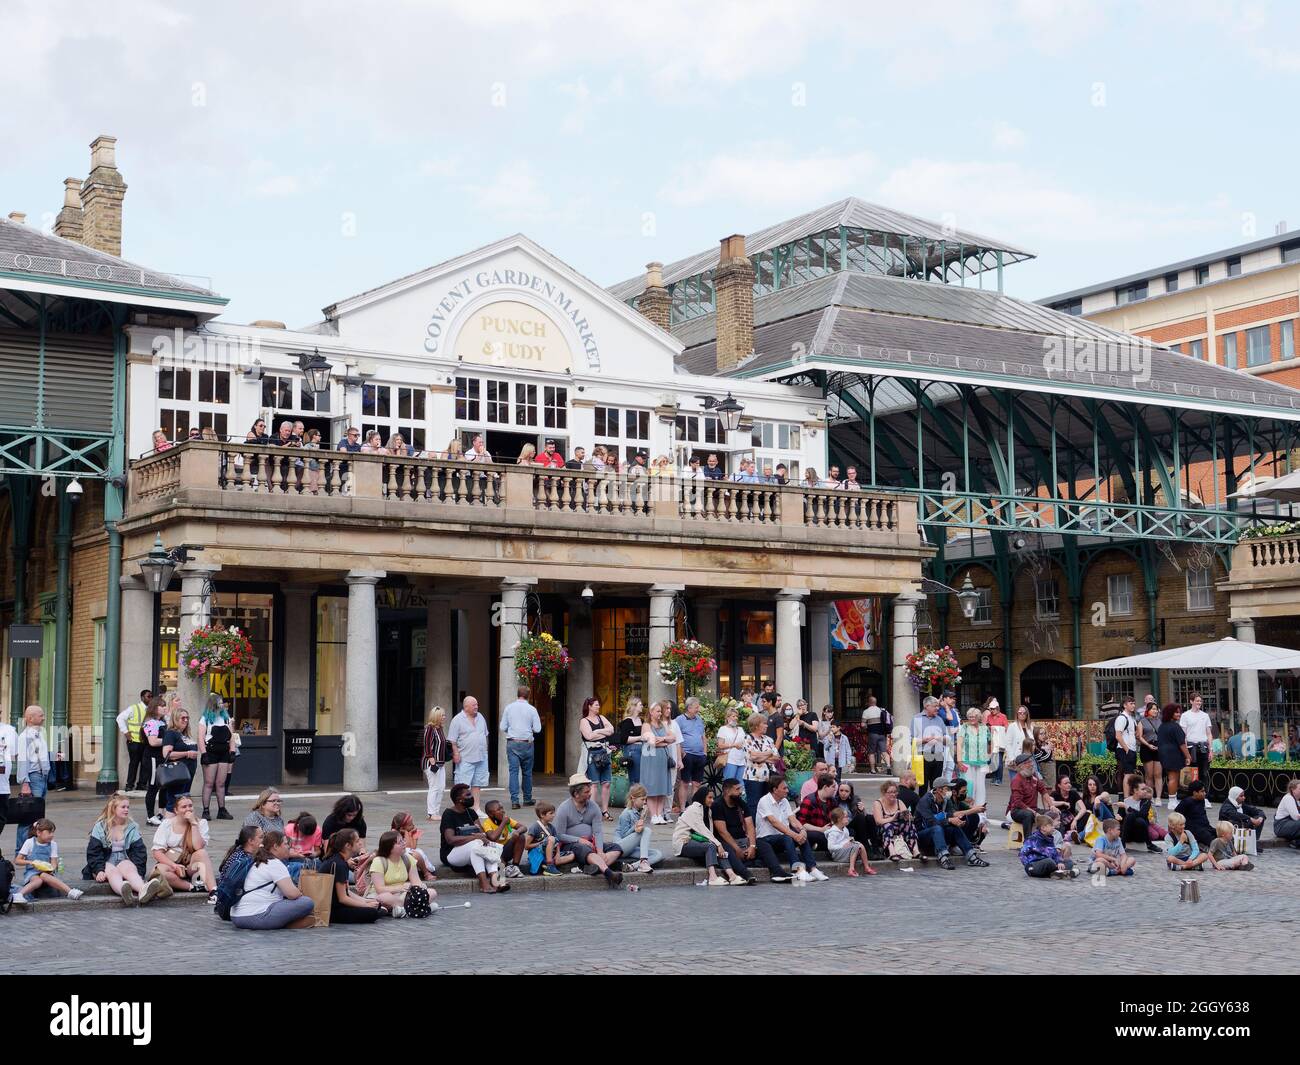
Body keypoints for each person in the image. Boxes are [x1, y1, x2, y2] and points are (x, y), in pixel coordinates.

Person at [83, 792, 165, 906]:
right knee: (112, 871)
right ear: (113, 809)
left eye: (128, 807)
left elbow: (139, 852)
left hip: (124, 858)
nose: (126, 810)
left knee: (129, 868)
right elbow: (93, 852)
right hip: (105, 861)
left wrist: (139, 872)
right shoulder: (100, 826)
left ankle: (143, 890)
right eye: (123, 807)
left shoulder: (132, 826)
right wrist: (98, 870)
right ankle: (124, 890)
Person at [230, 830, 317, 929]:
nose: (289, 847)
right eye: (285, 844)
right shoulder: (274, 863)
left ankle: (286, 922)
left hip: (237, 916)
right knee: (307, 902)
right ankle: (287, 924)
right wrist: (300, 893)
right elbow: (292, 894)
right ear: (275, 846)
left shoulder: (259, 861)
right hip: (256, 916)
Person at [552, 775, 624, 886]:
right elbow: (559, 835)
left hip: (592, 843)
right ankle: (609, 873)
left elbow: (598, 831)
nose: (590, 794)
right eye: (586, 792)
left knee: (616, 848)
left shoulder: (594, 807)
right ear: (576, 794)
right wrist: (579, 840)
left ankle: (595, 866)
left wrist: (600, 851)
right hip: (571, 845)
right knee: (583, 848)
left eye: (589, 791)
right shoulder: (564, 808)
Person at [674, 785, 752, 886]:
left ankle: (731, 875)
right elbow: (702, 829)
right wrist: (718, 844)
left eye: (713, 797)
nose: (712, 800)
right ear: (703, 797)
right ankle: (712, 877)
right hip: (684, 842)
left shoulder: (708, 810)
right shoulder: (694, 809)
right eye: (709, 797)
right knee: (711, 846)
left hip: (699, 842)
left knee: (717, 848)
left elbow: (709, 832)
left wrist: (719, 845)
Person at [440, 782, 508, 893]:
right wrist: (474, 838)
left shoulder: (471, 812)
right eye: (468, 795)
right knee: (476, 845)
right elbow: (450, 840)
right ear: (458, 799)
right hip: (451, 854)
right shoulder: (449, 814)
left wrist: (481, 837)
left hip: (472, 850)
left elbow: (482, 834)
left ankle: (499, 881)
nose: (471, 797)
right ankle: (484, 883)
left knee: (487, 848)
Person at [754, 777, 823, 883]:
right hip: (766, 839)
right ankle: (798, 871)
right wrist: (794, 835)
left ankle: (812, 868)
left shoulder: (784, 801)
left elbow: (792, 819)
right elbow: (774, 823)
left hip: (782, 838)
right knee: (788, 837)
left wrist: (802, 830)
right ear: (775, 789)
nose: (787, 790)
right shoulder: (764, 801)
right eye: (784, 788)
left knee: (801, 837)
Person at [150, 795, 217, 902]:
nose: (188, 809)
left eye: (190, 806)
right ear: (176, 810)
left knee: (202, 853)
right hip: (172, 864)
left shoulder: (201, 823)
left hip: (191, 865)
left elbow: (198, 846)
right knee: (158, 871)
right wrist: (174, 866)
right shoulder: (167, 824)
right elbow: (157, 853)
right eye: (184, 807)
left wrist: (193, 824)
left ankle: (214, 891)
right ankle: (191, 887)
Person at [916, 778, 989, 869]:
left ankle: (971, 856)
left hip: (937, 833)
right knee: (937, 828)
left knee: (954, 828)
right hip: (923, 835)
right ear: (939, 790)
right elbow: (930, 822)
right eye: (947, 789)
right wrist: (950, 820)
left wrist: (958, 820)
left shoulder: (944, 800)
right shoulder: (925, 800)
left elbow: (951, 814)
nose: (949, 791)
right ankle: (943, 857)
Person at [11, 818, 84, 904]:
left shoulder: (53, 844)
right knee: (38, 880)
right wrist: (31, 862)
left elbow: (53, 861)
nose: (52, 835)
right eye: (49, 832)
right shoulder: (30, 842)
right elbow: (17, 860)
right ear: (38, 833)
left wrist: (51, 868)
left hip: (46, 873)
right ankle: (19, 895)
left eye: (53, 832)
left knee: (44, 876)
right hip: (32, 872)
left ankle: (70, 892)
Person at [319, 829, 382, 923]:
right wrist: (366, 905)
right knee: (372, 913)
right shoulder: (339, 864)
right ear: (347, 846)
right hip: (332, 910)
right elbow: (343, 898)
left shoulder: (339, 860)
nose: (360, 843)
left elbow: (346, 891)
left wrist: (365, 901)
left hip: (335, 905)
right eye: (357, 841)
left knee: (376, 905)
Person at [13, 705, 51, 851]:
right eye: (40, 715)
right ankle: (20, 851)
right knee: (27, 816)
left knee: (37, 817)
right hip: (33, 778)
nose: (43, 717)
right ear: (30, 718)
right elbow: (23, 760)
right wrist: (25, 783)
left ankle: (31, 848)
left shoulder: (40, 733)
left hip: (42, 777)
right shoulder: (24, 737)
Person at [501, 685, 542, 810]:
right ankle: (527, 798)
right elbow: (537, 729)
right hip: (527, 743)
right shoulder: (532, 709)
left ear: (517, 694)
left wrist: (513, 730)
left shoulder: (509, 708)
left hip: (512, 742)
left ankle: (514, 801)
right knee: (527, 772)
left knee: (513, 772)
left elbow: (502, 727)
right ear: (528, 696)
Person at [711, 779, 761, 881]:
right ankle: (746, 874)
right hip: (728, 842)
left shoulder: (741, 803)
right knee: (727, 850)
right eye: (737, 789)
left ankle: (777, 871)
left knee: (764, 845)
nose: (740, 792)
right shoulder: (717, 804)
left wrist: (752, 846)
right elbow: (722, 832)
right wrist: (737, 849)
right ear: (727, 791)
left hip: (743, 839)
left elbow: (750, 826)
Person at [364, 831, 422, 916]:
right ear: (389, 848)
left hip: (403, 894)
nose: (404, 844)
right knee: (383, 897)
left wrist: (418, 887)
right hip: (383, 894)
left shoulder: (408, 858)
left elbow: (416, 882)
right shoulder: (379, 861)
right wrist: (400, 888)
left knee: (431, 892)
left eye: (403, 840)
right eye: (399, 843)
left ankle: (401, 908)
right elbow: (380, 889)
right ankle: (414, 907)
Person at [447, 695, 490, 810]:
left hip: (481, 757)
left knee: (477, 784)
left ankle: (476, 808)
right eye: (474, 705)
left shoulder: (480, 717)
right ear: (466, 707)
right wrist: (456, 753)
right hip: (465, 757)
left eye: (477, 704)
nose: (477, 707)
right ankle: (462, 807)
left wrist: (485, 750)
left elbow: (485, 735)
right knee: (463, 784)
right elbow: (452, 740)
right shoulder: (457, 719)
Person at [577, 696, 616, 819]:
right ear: (589, 706)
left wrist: (597, 732)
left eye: (598, 705)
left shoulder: (601, 718)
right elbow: (588, 736)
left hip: (604, 753)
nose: (598, 707)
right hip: (592, 754)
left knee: (606, 783)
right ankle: (593, 812)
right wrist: (603, 731)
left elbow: (611, 730)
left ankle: (605, 810)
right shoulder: (584, 721)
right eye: (596, 705)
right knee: (593, 784)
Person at [198, 693, 234, 820]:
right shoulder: (205, 719)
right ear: (213, 704)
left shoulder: (226, 718)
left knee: (221, 783)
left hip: (224, 752)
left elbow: (232, 736)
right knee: (209, 783)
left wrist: (232, 752)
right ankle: (206, 810)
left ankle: (222, 809)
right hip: (210, 752)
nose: (221, 704)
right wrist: (204, 754)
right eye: (219, 702)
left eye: (222, 702)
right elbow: (200, 738)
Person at [640, 701, 675, 823]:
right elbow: (652, 742)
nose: (660, 713)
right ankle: (653, 815)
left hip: (662, 759)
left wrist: (663, 739)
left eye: (661, 711)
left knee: (662, 787)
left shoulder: (663, 725)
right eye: (658, 711)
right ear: (651, 712)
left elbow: (673, 738)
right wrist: (665, 742)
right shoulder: (646, 725)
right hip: (650, 759)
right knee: (652, 787)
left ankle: (659, 814)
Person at [159, 705, 198, 815]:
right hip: (177, 774)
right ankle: (168, 827)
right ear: (175, 719)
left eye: (187, 718)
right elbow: (166, 754)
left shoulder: (185, 735)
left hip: (187, 774)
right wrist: (187, 753)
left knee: (183, 802)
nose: (186, 720)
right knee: (174, 802)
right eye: (182, 718)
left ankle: (179, 827)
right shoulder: (171, 734)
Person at [614, 784, 663, 872]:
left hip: (631, 848)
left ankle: (633, 866)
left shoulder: (639, 812)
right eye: (642, 799)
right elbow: (624, 836)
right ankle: (643, 862)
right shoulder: (626, 814)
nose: (645, 802)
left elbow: (637, 839)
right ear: (633, 798)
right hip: (620, 848)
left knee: (657, 854)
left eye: (645, 799)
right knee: (647, 830)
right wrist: (635, 827)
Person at [115, 688, 153, 795]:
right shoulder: (134, 708)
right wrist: (126, 732)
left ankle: (141, 784)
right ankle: (129, 785)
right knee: (134, 763)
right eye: (148, 696)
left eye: (151, 696)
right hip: (135, 742)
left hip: (146, 742)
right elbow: (120, 718)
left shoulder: (151, 710)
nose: (150, 698)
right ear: (142, 697)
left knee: (145, 764)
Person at [1007, 754, 1053, 841]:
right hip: (1017, 811)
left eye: (1031, 761)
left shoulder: (1034, 776)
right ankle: (1028, 842)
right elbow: (1018, 802)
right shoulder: (1017, 780)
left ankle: (1049, 841)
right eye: (1028, 763)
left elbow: (1043, 791)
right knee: (1028, 815)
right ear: (1021, 766)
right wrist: (1034, 812)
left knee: (1050, 814)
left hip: (1033, 809)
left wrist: (1051, 805)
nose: (1031, 764)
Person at [742, 713, 778, 819]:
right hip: (753, 778)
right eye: (764, 724)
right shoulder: (747, 738)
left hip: (768, 777)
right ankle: (754, 828)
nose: (767, 726)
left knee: (768, 805)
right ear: (757, 725)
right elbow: (752, 757)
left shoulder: (769, 739)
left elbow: (776, 757)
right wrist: (769, 753)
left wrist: (759, 756)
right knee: (754, 805)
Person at [873, 780, 920, 860]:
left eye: (895, 792)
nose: (893, 794)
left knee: (910, 825)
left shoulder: (899, 802)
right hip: (883, 830)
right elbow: (878, 821)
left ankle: (915, 850)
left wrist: (908, 817)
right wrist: (892, 818)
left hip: (899, 829)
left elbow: (907, 817)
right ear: (884, 793)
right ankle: (892, 852)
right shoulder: (878, 803)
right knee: (888, 825)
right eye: (890, 792)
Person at [1020, 814, 1078, 879]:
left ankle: (1055, 873)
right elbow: (1022, 854)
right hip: (1034, 866)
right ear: (1043, 828)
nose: (1053, 827)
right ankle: (1058, 872)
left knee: (1069, 862)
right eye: (1051, 826)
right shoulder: (1032, 839)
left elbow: (1055, 854)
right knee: (1049, 861)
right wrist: (1028, 866)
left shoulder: (1050, 838)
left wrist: (1059, 862)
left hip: (1049, 865)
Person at [481, 800, 528, 879]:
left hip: (505, 850)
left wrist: (517, 831)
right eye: (499, 809)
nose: (503, 811)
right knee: (496, 853)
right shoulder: (487, 823)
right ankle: (505, 869)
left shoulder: (507, 820)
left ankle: (515, 866)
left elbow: (524, 827)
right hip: (495, 853)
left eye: (502, 808)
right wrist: (503, 823)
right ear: (490, 814)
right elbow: (493, 837)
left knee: (521, 837)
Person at [523, 802, 571, 876]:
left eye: (554, 813)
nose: (554, 815)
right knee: (551, 839)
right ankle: (549, 866)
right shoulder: (535, 827)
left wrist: (558, 854)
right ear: (542, 815)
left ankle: (554, 861)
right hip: (539, 852)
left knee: (572, 854)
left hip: (551, 853)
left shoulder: (551, 827)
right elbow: (526, 846)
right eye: (551, 813)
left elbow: (557, 843)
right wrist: (540, 843)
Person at [140, 697, 168, 825]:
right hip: (152, 758)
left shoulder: (161, 722)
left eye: (164, 706)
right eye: (161, 706)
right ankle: (150, 816)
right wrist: (169, 742)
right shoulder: (150, 722)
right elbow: (153, 741)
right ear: (154, 708)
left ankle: (161, 814)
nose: (164, 708)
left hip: (162, 757)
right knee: (153, 786)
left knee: (163, 786)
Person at [1157, 703, 1191, 810]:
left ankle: (1173, 798)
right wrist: (1188, 756)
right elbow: (1182, 743)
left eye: (1179, 712)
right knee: (1173, 777)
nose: (1179, 714)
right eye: (1176, 712)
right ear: (1170, 713)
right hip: (1173, 754)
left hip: (1164, 753)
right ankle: (1172, 801)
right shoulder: (1175, 726)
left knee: (1172, 777)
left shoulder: (1162, 726)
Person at [912, 696, 949, 792]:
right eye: (935, 706)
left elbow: (946, 737)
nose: (938, 708)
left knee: (936, 785)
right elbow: (911, 740)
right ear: (926, 706)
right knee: (923, 785)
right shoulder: (916, 719)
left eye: (938, 706)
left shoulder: (939, 719)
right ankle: (923, 806)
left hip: (938, 755)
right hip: (923, 755)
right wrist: (924, 740)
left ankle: (935, 806)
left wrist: (940, 739)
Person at [958, 707, 990, 808]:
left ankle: (980, 809)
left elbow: (990, 743)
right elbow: (959, 744)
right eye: (969, 717)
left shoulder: (984, 728)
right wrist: (959, 761)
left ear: (978, 717)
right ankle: (969, 808)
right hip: (966, 760)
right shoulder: (964, 727)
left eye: (974, 716)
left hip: (982, 762)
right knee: (969, 785)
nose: (971, 719)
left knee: (981, 786)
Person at [676, 696, 708, 799]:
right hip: (687, 755)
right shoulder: (679, 720)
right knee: (684, 783)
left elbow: (703, 737)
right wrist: (682, 752)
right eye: (696, 707)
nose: (698, 709)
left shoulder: (699, 719)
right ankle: (682, 809)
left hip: (700, 756)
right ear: (689, 708)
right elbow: (676, 738)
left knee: (697, 784)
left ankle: (694, 808)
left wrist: (705, 753)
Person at [827, 807, 874, 876]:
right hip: (837, 854)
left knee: (860, 844)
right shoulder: (833, 832)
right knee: (856, 846)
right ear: (839, 820)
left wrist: (850, 840)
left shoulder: (845, 829)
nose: (848, 818)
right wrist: (842, 846)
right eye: (845, 817)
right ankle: (851, 869)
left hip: (845, 851)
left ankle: (866, 867)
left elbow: (845, 840)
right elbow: (830, 847)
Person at [421, 705, 449, 822]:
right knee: (434, 787)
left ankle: (436, 811)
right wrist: (432, 760)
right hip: (432, 763)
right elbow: (427, 745)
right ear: (436, 716)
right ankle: (431, 813)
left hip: (440, 763)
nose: (444, 717)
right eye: (442, 715)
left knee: (441, 787)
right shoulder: (430, 728)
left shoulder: (440, 729)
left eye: (444, 715)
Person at [1180, 693, 1212, 792]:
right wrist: (1185, 753)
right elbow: (1183, 735)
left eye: (1200, 701)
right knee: (1192, 772)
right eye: (1197, 701)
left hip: (1203, 747)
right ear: (1191, 701)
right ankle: (1192, 795)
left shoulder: (1205, 715)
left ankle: (1204, 795)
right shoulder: (1185, 715)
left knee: (1204, 773)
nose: (1199, 703)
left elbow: (1209, 734)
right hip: (1190, 747)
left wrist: (1211, 750)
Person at [1174, 779, 1216, 848]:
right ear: (1195, 793)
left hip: (1205, 827)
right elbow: (1175, 816)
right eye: (1202, 791)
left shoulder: (1202, 800)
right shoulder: (1186, 802)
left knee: (1221, 834)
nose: (1205, 793)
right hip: (1194, 830)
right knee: (1212, 840)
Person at [615, 697, 646, 786]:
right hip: (632, 751)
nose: (642, 706)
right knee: (635, 778)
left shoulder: (641, 720)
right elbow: (624, 739)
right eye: (640, 705)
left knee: (642, 777)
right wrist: (640, 737)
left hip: (643, 749)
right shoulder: (627, 721)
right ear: (634, 706)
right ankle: (634, 798)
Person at [715, 705, 747, 784]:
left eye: (736, 716)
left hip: (742, 760)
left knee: (741, 785)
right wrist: (733, 745)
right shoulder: (723, 729)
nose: (736, 718)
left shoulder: (740, 729)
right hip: (730, 760)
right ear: (727, 717)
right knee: (729, 784)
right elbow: (720, 745)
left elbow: (745, 741)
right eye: (733, 716)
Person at [1137, 701, 1163, 800]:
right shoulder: (1142, 721)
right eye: (1153, 709)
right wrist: (1148, 745)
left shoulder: (1160, 721)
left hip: (1158, 747)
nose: (1155, 711)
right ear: (1148, 710)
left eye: (1156, 709)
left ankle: (1158, 797)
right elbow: (1140, 737)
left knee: (1158, 774)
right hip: (1146, 747)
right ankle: (1149, 796)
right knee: (1149, 774)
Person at [861, 696, 889, 774]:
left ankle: (873, 770)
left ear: (869, 702)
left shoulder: (866, 711)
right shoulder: (881, 710)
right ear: (875, 702)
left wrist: (868, 726)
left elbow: (862, 725)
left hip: (872, 734)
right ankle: (889, 766)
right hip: (882, 734)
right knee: (884, 751)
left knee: (871, 752)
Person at [984, 697, 1008, 785]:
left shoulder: (1003, 716)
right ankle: (994, 777)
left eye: (993, 709)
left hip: (999, 741)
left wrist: (996, 729)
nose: (992, 710)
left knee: (999, 761)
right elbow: (986, 726)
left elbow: (1006, 728)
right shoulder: (989, 716)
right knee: (991, 760)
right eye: (991, 709)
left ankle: (999, 779)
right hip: (991, 741)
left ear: (997, 708)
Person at [1113, 697, 1139, 781]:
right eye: (1131, 703)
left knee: (1130, 774)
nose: (1133, 705)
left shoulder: (1132, 718)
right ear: (1124, 705)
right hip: (1124, 749)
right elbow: (1118, 736)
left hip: (1132, 749)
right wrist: (1127, 750)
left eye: (1134, 703)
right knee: (1127, 775)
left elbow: (1135, 734)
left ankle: (1127, 794)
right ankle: (1126, 794)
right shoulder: (1122, 718)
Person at [1273, 780, 1300, 847]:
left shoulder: (1297, 799)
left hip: (1291, 824)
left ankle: (1297, 842)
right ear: (1292, 789)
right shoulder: (1288, 798)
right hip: (1281, 826)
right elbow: (1296, 817)